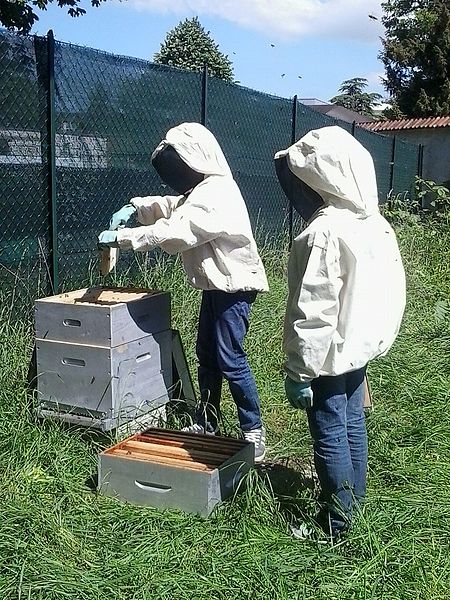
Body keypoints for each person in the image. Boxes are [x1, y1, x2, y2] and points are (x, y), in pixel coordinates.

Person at [98, 122, 269, 461]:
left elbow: (180, 231)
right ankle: (208, 423)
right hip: (216, 285)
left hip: (234, 288)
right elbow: (173, 205)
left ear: (197, 158)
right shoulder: (201, 191)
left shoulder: (218, 193)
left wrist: (126, 238)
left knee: (230, 359)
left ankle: (254, 430)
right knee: (207, 355)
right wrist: (136, 207)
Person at [274, 126, 406, 538]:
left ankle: (337, 527)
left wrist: (299, 372)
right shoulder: (374, 224)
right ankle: (355, 509)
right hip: (358, 349)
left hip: (329, 355)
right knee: (352, 426)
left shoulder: (323, 233)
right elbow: (391, 293)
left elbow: (313, 311)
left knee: (330, 433)